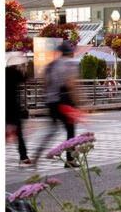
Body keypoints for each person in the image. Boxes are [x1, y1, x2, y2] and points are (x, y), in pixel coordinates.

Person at [33, 40, 83, 168]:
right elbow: (72, 84)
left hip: (51, 102)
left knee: (52, 130)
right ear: (70, 53)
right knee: (70, 131)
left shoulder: (50, 65)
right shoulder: (70, 64)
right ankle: (70, 160)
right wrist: (79, 103)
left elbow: (44, 83)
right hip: (65, 102)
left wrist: (48, 99)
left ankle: (37, 153)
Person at [6, 61, 31, 165]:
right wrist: (24, 68)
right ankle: (23, 156)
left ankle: (23, 155)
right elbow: (25, 79)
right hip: (14, 107)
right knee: (19, 132)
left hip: (6, 106)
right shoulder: (15, 72)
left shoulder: (5, 71)